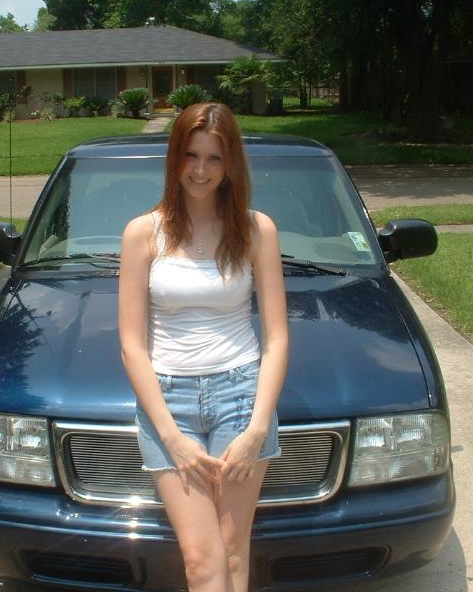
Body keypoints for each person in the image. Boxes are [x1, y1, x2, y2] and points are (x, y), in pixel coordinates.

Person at [118, 102, 289, 592]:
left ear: (231, 163)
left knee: (233, 550)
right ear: (174, 157)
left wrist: (258, 428)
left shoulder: (256, 230)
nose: (200, 170)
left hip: (241, 396)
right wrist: (171, 436)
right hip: (169, 403)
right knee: (200, 558)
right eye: (190, 155)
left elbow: (277, 337)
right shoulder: (143, 233)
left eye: (214, 158)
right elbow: (131, 345)